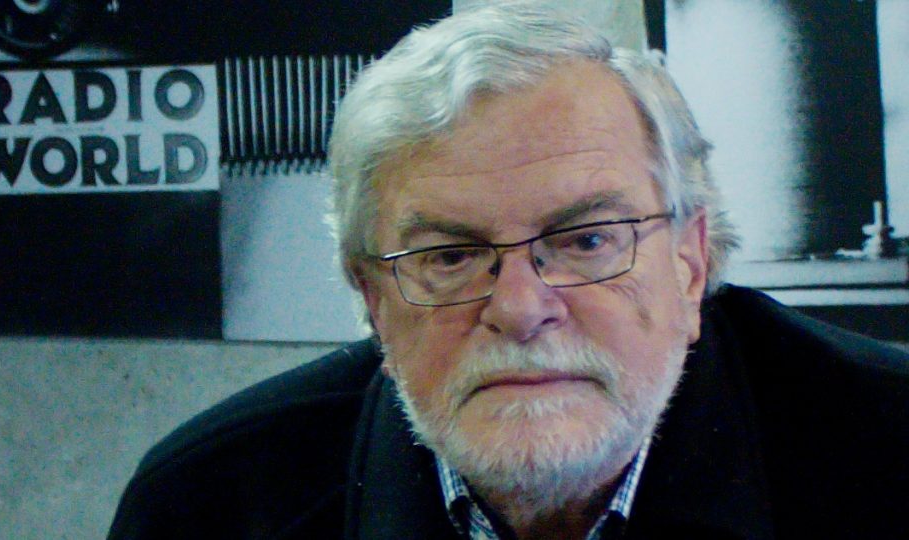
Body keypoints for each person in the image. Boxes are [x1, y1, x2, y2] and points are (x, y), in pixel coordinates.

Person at [108, 2, 909, 539]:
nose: (521, 308)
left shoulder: (887, 453)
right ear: (374, 299)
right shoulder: (210, 505)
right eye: (450, 257)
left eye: (586, 241)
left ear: (690, 265)